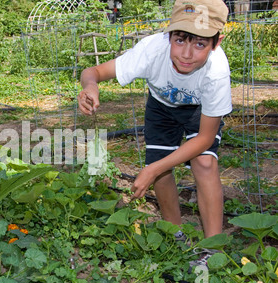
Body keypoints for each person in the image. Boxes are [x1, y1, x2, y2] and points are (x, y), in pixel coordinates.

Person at [78, 0, 232, 266]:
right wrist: (90, 87)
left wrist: (150, 169)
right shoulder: (151, 50)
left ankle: (213, 251)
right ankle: (175, 237)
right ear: (168, 35)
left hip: (199, 111)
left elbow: (205, 138)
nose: (186, 53)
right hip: (161, 107)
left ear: (215, 43)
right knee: (160, 170)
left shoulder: (216, 71)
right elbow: (92, 72)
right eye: (180, 40)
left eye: (199, 44)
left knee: (204, 161)